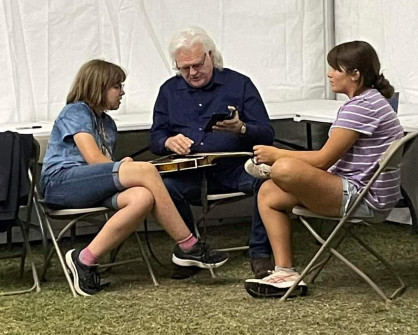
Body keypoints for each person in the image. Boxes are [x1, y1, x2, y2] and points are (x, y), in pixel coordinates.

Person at [40, 59, 228, 296]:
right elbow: (94, 159)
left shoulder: (107, 123)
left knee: (143, 197)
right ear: (99, 86)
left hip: (90, 187)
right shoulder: (76, 111)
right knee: (145, 171)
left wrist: (123, 168)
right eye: (117, 86)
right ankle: (189, 245)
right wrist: (125, 167)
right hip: (61, 184)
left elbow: (104, 169)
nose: (122, 92)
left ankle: (84, 259)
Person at [244, 41, 404, 298]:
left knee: (284, 169)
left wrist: (275, 155)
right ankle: (285, 273)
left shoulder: (361, 107)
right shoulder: (373, 100)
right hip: (363, 192)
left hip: (363, 197)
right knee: (268, 194)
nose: (329, 74)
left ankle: (270, 169)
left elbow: (322, 160)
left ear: (355, 74)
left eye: (335, 69)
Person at [149, 27, 275, 279]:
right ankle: (191, 251)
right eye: (184, 68)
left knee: (269, 181)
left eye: (197, 65)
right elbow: (155, 137)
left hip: (235, 167)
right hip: (189, 171)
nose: (192, 73)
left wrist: (241, 128)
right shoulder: (169, 91)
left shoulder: (239, 84)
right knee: (158, 186)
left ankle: (260, 252)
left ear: (211, 56)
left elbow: (267, 134)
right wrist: (168, 142)